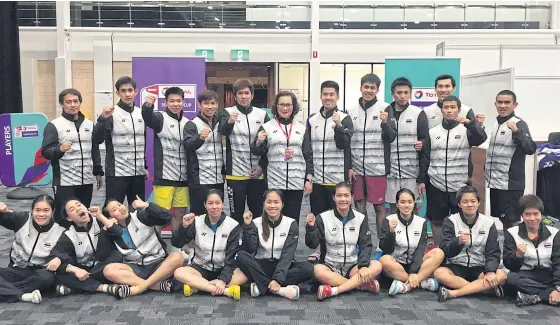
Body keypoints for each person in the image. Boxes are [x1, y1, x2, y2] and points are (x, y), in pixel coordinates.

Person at [418, 96, 487, 246]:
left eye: (452, 107)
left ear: (459, 110)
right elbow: (425, 158)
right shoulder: (432, 132)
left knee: (461, 221)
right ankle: (439, 252)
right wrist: (421, 180)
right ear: (441, 110)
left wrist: (472, 124)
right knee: (436, 222)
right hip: (436, 184)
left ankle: (460, 252)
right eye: (446, 107)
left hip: (459, 186)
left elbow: (481, 138)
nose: (449, 111)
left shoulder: (467, 130)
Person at [305, 182, 382, 300]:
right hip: (330, 266)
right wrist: (311, 228)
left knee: (376, 265)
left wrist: (364, 266)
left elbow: (366, 245)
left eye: (346, 196)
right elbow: (312, 244)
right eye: (339, 196)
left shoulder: (360, 218)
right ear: (333, 197)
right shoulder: (323, 218)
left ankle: (335, 290)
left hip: (353, 267)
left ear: (352, 198)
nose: (343, 199)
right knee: (317, 270)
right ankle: (358, 285)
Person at [236, 190, 314, 300]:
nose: (272, 206)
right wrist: (248, 227)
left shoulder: (291, 223)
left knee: (308, 268)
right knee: (240, 255)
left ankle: (261, 284)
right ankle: (280, 290)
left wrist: (278, 279)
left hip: (283, 265)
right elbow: (250, 249)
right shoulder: (256, 222)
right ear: (264, 204)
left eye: (276, 202)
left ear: (282, 204)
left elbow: (288, 254)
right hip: (261, 265)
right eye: (269, 202)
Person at [306, 81, 353, 262]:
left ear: (337, 96)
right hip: (317, 178)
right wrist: (308, 176)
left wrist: (339, 126)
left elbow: (344, 145)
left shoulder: (345, 118)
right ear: (320, 96)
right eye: (325, 94)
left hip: (337, 179)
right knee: (319, 217)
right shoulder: (312, 119)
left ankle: (339, 251)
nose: (328, 97)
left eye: (331, 94)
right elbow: (307, 149)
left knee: (338, 216)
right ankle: (319, 249)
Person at [41, 88, 103, 226]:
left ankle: (82, 243)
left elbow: (94, 149)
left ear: (80, 102)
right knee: (63, 217)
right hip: (64, 182)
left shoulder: (89, 124)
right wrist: (59, 149)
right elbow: (45, 152)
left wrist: (98, 172)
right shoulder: (54, 125)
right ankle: (62, 245)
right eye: (68, 102)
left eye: (75, 101)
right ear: (62, 105)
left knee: (83, 215)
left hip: (86, 180)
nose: (72, 105)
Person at [434, 186, 507, 302]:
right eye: (465, 202)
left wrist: (490, 271)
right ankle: (482, 289)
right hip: (456, 265)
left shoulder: (488, 223)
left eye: (473, 201)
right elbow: (445, 248)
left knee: (501, 274)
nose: (470, 205)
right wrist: (457, 242)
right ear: (459, 204)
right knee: (439, 273)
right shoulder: (450, 221)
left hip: (480, 267)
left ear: (478, 203)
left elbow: (493, 252)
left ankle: (454, 293)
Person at [102, 196, 184, 299]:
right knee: (108, 270)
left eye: (120, 205)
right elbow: (101, 255)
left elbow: (167, 216)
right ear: (110, 218)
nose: (121, 208)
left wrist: (147, 205)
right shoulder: (112, 231)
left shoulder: (140, 216)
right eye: (114, 210)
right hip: (136, 269)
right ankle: (155, 286)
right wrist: (104, 230)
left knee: (177, 256)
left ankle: (140, 287)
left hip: (159, 264)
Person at [345, 74, 396, 235]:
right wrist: (349, 166)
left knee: (379, 207)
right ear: (360, 88)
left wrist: (385, 124)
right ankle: (363, 240)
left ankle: (383, 243)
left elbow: (391, 137)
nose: (368, 90)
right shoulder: (350, 110)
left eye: (372, 88)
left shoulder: (386, 108)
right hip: (357, 167)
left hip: (377, 167)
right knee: (359, 205)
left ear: (377, 90)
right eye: (366, 87)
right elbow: (347, 141)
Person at [251, 91, 313, 222]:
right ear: (276, 106)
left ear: (293, 106)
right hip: (274, 182)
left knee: (292, 221)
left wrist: (309, 179)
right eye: (282, 104)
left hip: (296, 182)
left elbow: (308, 155)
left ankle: (291, 243)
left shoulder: (301, 128)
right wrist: (258, 142)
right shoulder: (267, 127)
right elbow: (257, 152)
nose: (285, 108)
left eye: (288, 105)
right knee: (273, 220)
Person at [172, 190, 243, 300]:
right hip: (200, 268)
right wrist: (184, 227)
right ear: (205, 205)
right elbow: (177, 243)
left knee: (244, 275)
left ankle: (199, 286)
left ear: (223, 204)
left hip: (223, 268)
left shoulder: (233, 225)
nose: (214, 207)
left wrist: (223, 279)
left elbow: (231, 256)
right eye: (210, 203)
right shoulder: (196, 222)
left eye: (217, 203)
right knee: (179, 272)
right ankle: (223, 290)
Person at [47, 200, 124, 296]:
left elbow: (119, 233)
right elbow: (53, 257)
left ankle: (76, 287)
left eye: (79, 205)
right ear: (69, 218)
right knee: (60, 274)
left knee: (117, 256)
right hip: (83, 269)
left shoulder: (99, 220)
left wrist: (101, 218)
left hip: (104, 265)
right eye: (72, 209)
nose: (78, 208)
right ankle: (104, 287)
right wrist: (75, 269)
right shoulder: (69, 235)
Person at [219, 78, 269, 224]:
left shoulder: (262, 115)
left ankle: (256, 244)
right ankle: (236, 244)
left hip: (257, 175)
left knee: (258, 215)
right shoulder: (227, 112)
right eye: (240, 93)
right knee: (236, 216)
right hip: (235, 175)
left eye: (247, 93)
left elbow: (268, 145)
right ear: (235, 96)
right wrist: (230, 122)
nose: (244, 96)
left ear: (252, 95)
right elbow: (222, 132)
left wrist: (261, 166)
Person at [93, 76, 148, 208]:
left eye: (130, 90)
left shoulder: (142, 113)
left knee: (138, 212)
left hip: (138, 173)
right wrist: (102, 119)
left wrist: (144, 166)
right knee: (112, 211)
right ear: (118, 93)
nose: (127, 94)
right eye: (123, 91)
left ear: (136, 91)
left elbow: (141, 143)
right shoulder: (110, 114)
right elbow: (96, 139)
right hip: (117, 173)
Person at [485, 90, 536, 230]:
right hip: (495, 182)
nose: (503, 105)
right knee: (503, 218)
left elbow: (530, 148)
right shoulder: (497, 124)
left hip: (510, 185)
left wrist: (517, 132)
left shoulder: (519, 124)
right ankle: (510, 249)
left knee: (512, 221)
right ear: (495, 104)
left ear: (515, 105)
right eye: (500, 102)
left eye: (507, 102)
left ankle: (514, 251)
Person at [378, 188, 444, 295]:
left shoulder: (421, 222)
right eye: (402, 202)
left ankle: (407, 285)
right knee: (384, 260)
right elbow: (386, 249)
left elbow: (420, 249)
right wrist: (391, 232)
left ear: (414, 203)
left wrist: (414, 271)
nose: (406, 205)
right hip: (396, 265)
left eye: (410, 202)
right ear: (397, 204)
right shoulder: (389, 220)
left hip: (415, 264)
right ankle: (421, 282)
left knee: (438, 252)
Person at [0, 195, 65, 304]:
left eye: (46, 210)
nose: (41, 214)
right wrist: (3, 210)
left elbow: (66, 252)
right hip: (16, 269)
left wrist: (59, 258)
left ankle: (7, 291)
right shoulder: (23, 219)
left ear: (52, 211)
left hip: (39, 272)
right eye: (37, 210)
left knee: (47, 279)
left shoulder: (60, 231)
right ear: (32, 210)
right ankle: (23, 295)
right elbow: (5, 218)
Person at [141, 87, 189, 230]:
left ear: (183, 102)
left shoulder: (188, 123)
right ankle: (156, 249)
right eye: (172, 101)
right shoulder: (160, 118)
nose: (176, 104)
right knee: (159, 215)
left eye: (179, 101)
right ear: (166, 103)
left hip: (183, 179)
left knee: (180, 214)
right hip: (165, 177)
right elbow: (148, 118)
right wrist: (148, 106)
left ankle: (176, 248)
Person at [503, 195, 560, 307]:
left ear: (541, 214)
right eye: (527, 214)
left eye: (536, 214)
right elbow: (509, 265)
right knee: (510, 279)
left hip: (550, 274)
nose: (532, 218)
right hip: (526, 275)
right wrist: (518, 255)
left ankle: (536, 296)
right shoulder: (512, 233)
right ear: (522, 215)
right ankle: (548, 294)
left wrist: (558, 287)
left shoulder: (554, 233)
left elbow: (559, 262)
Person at [386, 77, 429, 214]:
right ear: (392, 93)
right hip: (391, 171)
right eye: (399, 92)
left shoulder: (418, 113)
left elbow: (424, 141)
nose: (402, 96)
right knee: (393, 206)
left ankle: (413, 235)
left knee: (411, 206)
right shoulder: (385, 112)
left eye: (406, 92)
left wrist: (421, 176)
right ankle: (394, 236)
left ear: (410, 94)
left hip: (411, 171)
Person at [184, 90, 224, 216]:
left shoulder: (219, 123)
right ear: (199, 105)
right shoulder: (192, 124)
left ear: (217, 105)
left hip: (218, 178)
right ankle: (196, 236)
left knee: (217, 213)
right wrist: (199, 138)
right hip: (200, 179)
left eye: (213, 103)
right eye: (206, 103)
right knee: (199, 215)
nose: (210, 107)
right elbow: (187, 146)